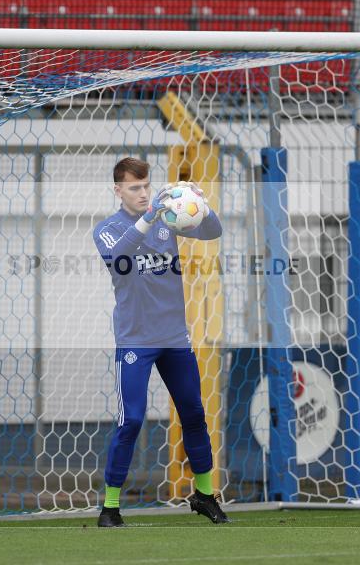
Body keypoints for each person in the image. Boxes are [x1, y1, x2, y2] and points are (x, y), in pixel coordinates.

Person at [92, 157, 229, 527]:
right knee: (131, 421)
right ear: (118, 190)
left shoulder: (167, 222)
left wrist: (200, 205)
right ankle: (110, 507)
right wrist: (149, 216)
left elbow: (213, 231)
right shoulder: (107, 229)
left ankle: (204, 496)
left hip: (174, 338)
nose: (142, 193)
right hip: (135, 341)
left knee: (194, 415)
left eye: (145, 186)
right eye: (134, 187)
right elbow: (119, 256)